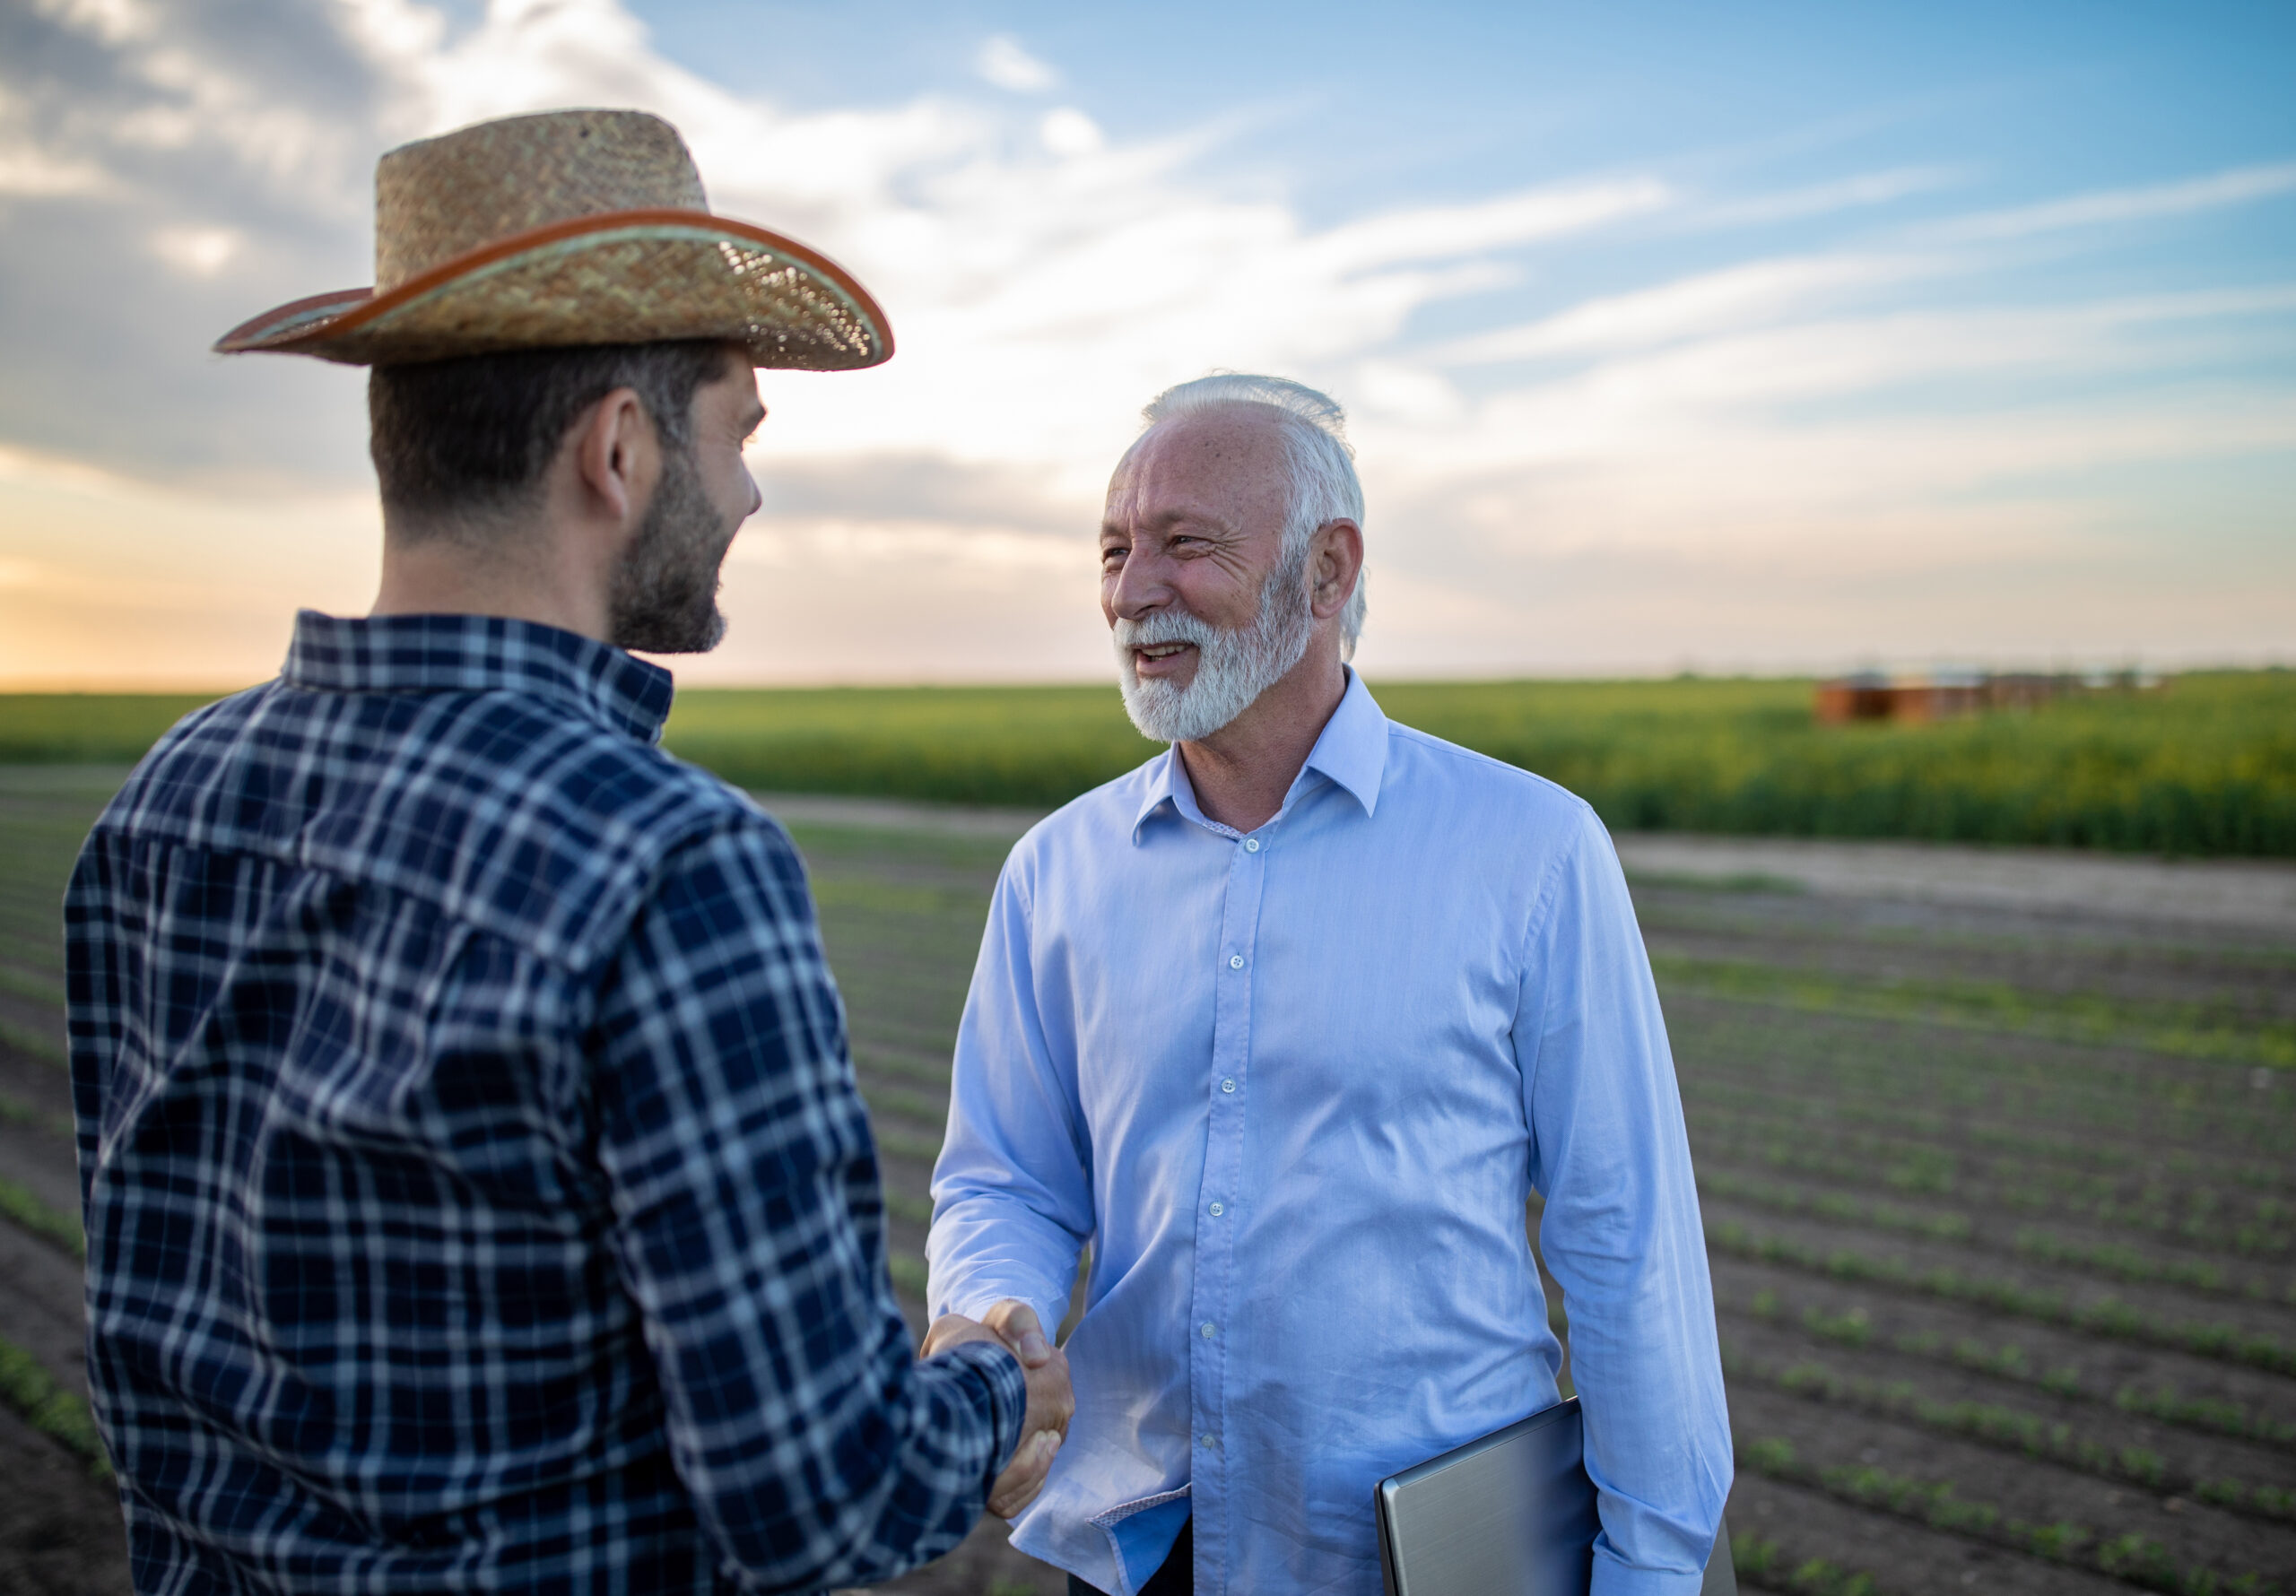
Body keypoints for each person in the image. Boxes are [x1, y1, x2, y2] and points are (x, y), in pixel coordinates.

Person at [65, 108, 1069, 1594]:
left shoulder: (161, 807)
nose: (748, 495)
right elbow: (823, 1499)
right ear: (615, 447)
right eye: (736, 434)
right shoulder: (671, 865)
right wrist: (998, 1392)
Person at [924, 374, 1731, 1596]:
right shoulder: (1055, 874)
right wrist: (995, 1309)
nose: (1132, 591)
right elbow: (1007, 1179)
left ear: (1327, 571)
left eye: (1186, 545)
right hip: (1137, 1555)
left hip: (1437, 1562)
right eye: (1113, 550)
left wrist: (1652, 1576)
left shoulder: (1531, 853)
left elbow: (1624, 1246)